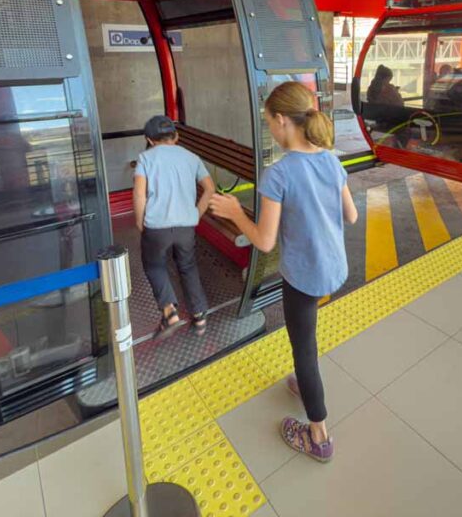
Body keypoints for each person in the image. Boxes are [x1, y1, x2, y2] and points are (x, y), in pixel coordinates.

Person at [209, 82, 358, 463]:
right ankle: (306, 387)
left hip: (304, 276)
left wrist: (234, 212)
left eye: (268, 123)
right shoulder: (330, 158)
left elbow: (263, 240)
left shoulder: (279, 175)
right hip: (335, 266)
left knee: (303, 350)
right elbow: (351, 215)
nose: (269, 129)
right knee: (307, 341)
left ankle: (319, 436)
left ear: (280, 121)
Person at [133, 115, 215, 337]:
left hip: (157, 228)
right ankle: (199, 317)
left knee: (154, 265)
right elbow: (209, 188)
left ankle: (169, 310)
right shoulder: (192, 157)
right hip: (186, 227)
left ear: (150, 140)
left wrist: (140, 221)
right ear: (176, 136)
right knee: (187, 266)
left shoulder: (145, 158)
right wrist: (196, 213)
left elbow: (139, 194)